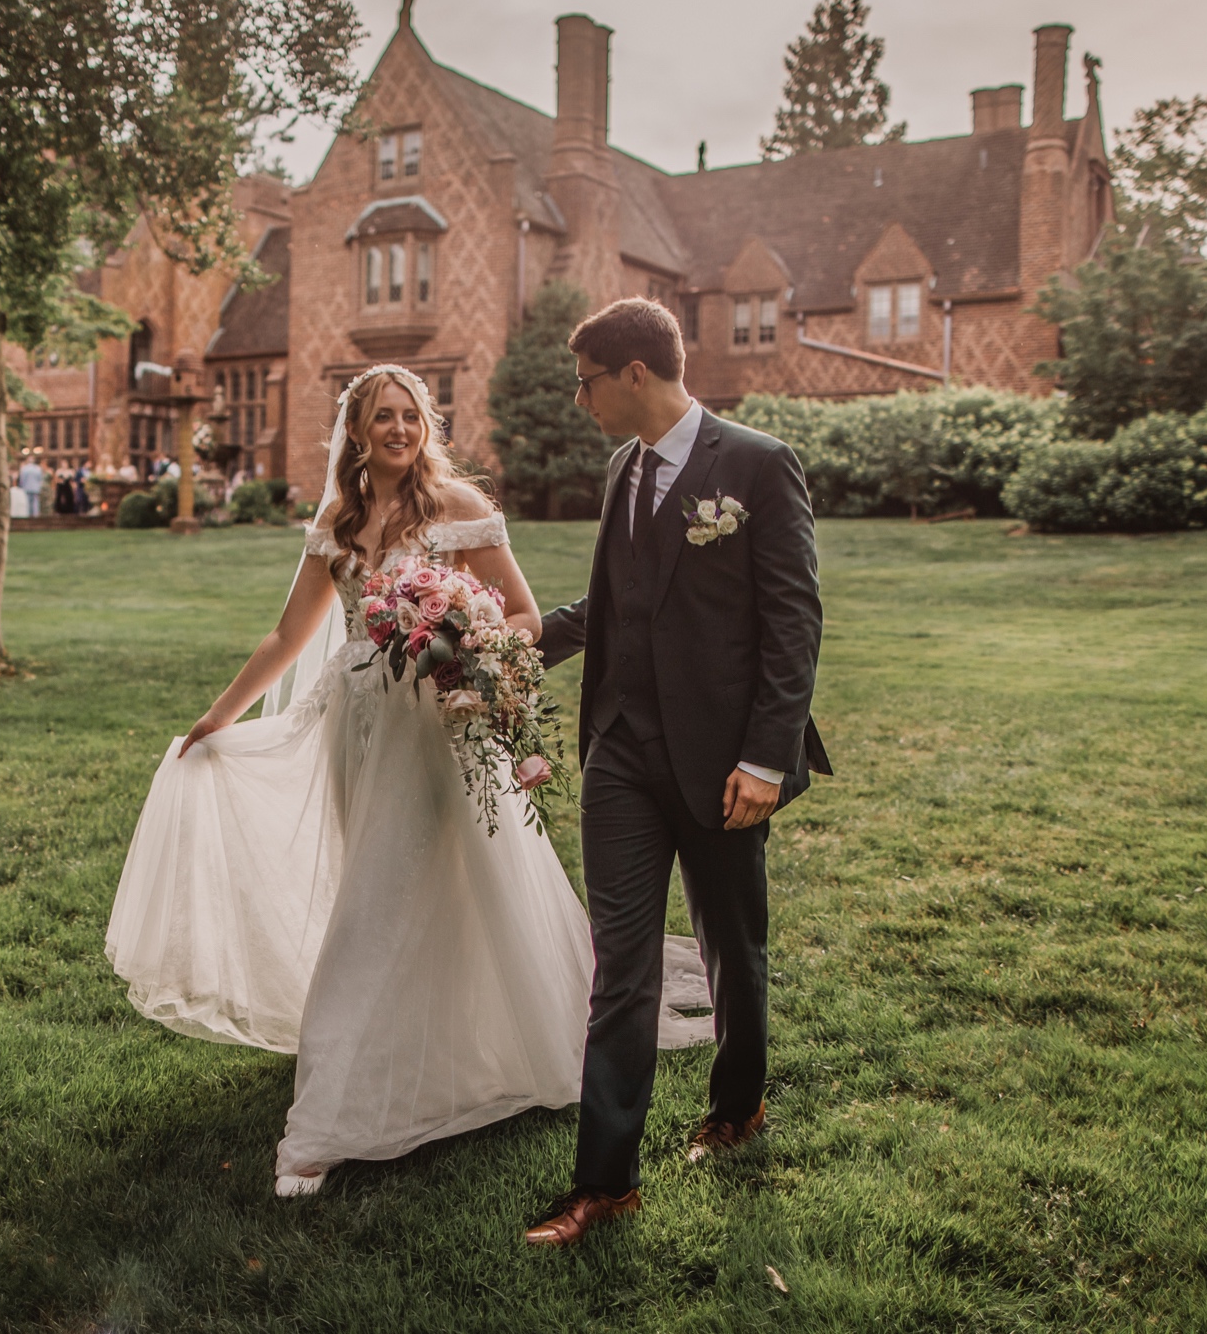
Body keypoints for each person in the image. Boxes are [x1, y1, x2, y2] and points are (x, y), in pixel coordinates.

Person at [106, 365, 717, 1200]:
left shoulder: (458, 506)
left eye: (410, 415)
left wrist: (464, 646)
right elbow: (289, 637)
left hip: (436, 729)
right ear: (357, 433)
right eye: (383, 417)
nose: (399, 428)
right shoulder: (338, 520)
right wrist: (218, 716)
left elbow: (524, 615)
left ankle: (325, 1124)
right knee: (387, 885)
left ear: (426, 425)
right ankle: (430, 1039)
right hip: (356, 731)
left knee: (383, 901)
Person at [521, 296, 829, 1249]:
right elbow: (613, 602)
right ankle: (605, 1182)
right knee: (622, 963)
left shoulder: (760, 465)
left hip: (724, 759)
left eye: (587, 383)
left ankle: (737, 1107)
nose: (580, 401)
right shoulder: (624, 468)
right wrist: (508, 643)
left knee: (733, 943)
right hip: (620, 750)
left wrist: (764, 757)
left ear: (635, 374)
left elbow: (793, 623)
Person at [17, 452, 47, 518]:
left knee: (28, 503)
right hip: (36, 488)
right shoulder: (37, 469)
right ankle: (35, 516)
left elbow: (22, 480)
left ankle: (28, 516)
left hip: (27, 488)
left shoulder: (24, 469)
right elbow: (40, 479)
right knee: (35, 503)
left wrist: (21, 487)